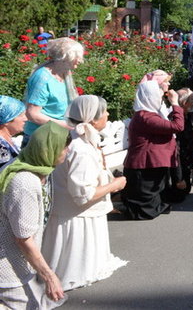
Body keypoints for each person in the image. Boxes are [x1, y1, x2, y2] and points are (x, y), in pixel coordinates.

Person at [42, 95, 127, 291]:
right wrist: (114, 185)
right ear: (93, 119)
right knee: (76, 270)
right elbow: (83, 195)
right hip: (75, 217)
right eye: (104, 112)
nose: (107, 114)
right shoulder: (81, 149)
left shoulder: (76, 139)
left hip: (70, 212)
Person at [0, 123, 69, 308]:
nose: (67, 151)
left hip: (18, 264)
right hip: (9, 269)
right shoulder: (25, 183)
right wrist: (49, 276)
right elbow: (23, 238)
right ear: (49, 150)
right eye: (64, 147)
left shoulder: (29, 167)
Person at [122, 81, 184, 220]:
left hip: (151, 163)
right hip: (143, 166)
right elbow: (177, 126)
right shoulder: (145, 117)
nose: (160, 99)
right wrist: (175, 104)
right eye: (158, 96)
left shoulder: (149, 115)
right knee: (143, 203)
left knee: (157, 195)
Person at [23, 37, 84, 142]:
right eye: (76, 57)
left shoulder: (64, 73)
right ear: (64, 57)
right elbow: (32, 114)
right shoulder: (42, 78)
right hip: (40, 138)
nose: (79, 61)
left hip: (58, 133)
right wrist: (66, 126)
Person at [164, 88, 193, 202]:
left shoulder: (188, 115)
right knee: (179, 195)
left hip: (186, 157)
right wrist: (179, 178)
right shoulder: (175, 118)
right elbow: (175, 149)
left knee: (186, 189)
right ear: (184, 103)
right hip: (178, 160)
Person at [0, 96, 26, 169]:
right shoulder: (2, 148)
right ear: (7, 121)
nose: (26, 119)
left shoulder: (8, 141)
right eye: (21, 115)